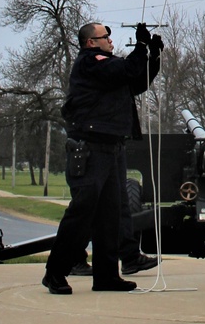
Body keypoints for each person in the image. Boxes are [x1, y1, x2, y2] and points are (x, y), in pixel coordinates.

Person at [42, 20, 162, 294]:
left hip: (112, 147)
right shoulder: (91, 63)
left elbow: (136, 80)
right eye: (105, 36)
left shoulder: (108, 68)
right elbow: (125, 68)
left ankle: (107, 276)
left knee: (111, 214)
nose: (110, 40)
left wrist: (153, 56)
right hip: (90, 148)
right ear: (90, 43)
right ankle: (55, 272)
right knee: (82, 212)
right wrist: (140, 46)